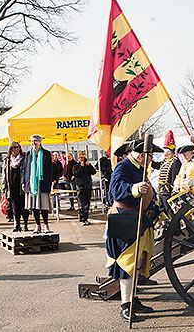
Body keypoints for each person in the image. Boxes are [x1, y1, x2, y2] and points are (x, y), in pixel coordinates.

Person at [105, 139, 162, 322]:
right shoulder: (122, 167)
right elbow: (115, 191)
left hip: (137, 220)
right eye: (150, 155)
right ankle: (125, 306)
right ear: (140, 155)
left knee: (136, 264)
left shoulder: (139, 168)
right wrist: (134, 188)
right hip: (124, 221)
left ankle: (133, 299)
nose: (152, 158)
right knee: (126, 265)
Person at [21, 135, 53, 234]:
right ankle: (37, 225)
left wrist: (51, 182)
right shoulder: (28, 154)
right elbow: (24, 169)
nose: (33, 143)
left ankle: (46, 225)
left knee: (43, 206)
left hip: (42, 183)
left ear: (40, 142)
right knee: (34, 206)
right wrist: (23, 182)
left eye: (35, 141)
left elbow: (50, 169)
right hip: (31, 184)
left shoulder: (46, 153)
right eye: (32, 141)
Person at [2, 142, 29, 232]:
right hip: (11, 186)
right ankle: (17, 225)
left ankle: (25, 224)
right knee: (14, 207)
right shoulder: (7, 160)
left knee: (24, 207)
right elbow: (4, 173)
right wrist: (4, 185)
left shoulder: (24, 158)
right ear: (10, 149)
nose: (15, 149)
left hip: (22, 186)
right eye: (13, 148)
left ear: (19, 148)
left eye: (17, 147)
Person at [152, 137, 181, 212]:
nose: (164, 152)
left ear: (170, 151)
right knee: (162, 209)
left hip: (168, 191)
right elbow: (156, 166)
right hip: (161, 190)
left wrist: (173, 191)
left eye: (166, 150)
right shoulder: (165, 161)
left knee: (169, 210)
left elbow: (174, 177)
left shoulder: (175, 162)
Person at [72, 151, 96, 226]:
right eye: (81, 157)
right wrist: (81, 167)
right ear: (78, 158)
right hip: (80, 186)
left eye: (84, 157)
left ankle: (86, 218)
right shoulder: (76, 166)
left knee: (87, 203)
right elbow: (75, 174)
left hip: (88, 186)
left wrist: (89, 166)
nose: (83, 159)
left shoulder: (88, 165)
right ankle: (82, 218)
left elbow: (94, 172)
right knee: (81, 203)